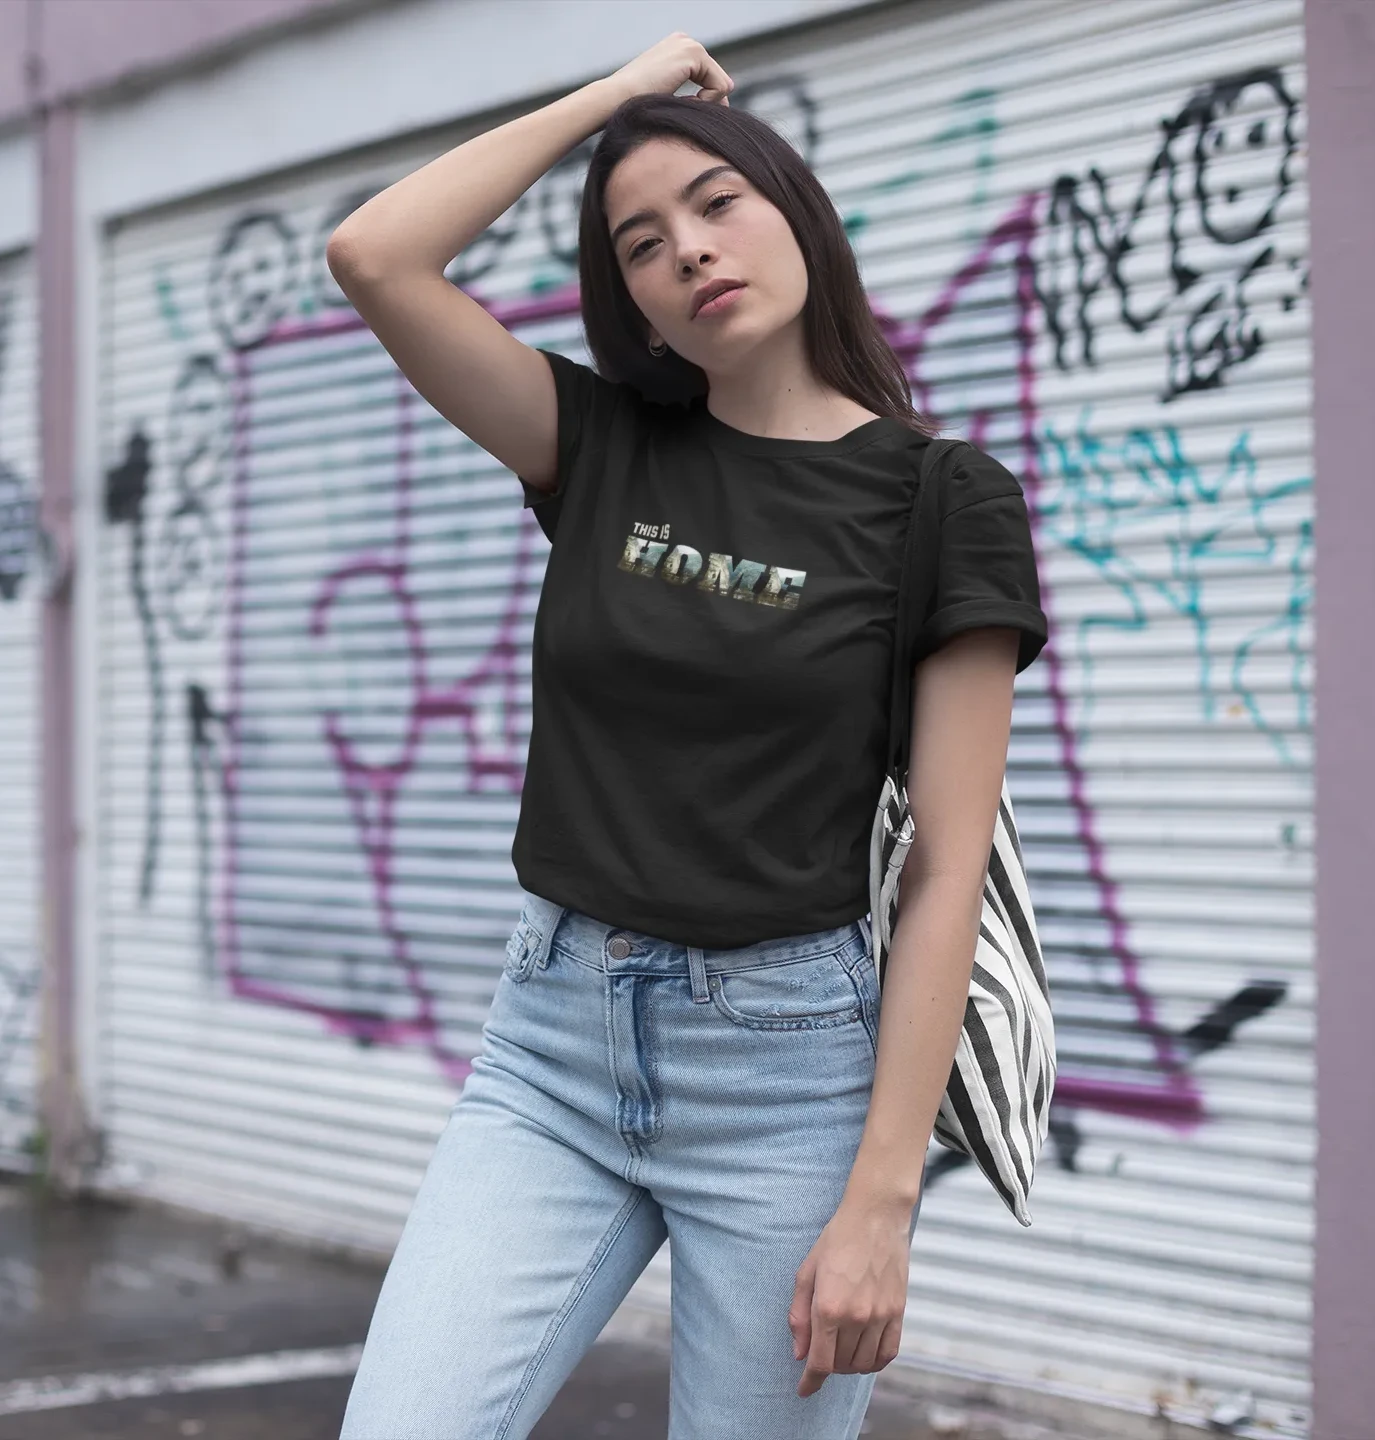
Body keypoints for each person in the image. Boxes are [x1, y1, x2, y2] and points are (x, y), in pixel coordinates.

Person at [327, 32, 1047, 1440]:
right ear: (636, 303)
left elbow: (947, 863)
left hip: (791, 1075)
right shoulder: (598, 444)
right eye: (643, 243)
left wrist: (879, 1206)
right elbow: (374, 256)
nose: (691, 252)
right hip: (552, 1046)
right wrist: (619, 100)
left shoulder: (940, 498)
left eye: (718, 205)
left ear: (798, 217)